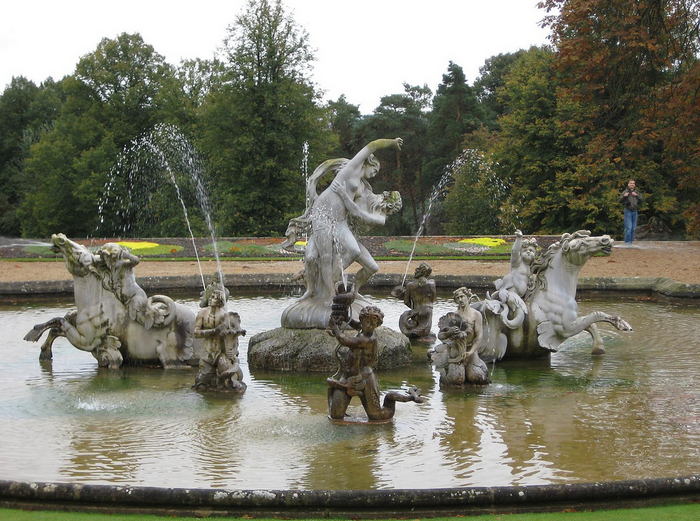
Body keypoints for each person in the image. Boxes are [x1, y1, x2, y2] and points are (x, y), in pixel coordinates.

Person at [619, 179, 643, 244]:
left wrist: (636, 195)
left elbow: (642, 199)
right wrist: (624, 196)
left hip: (635, 211)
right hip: (628, 210)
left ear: (634, 185)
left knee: (633, 228)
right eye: (631, 183)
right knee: (628, 228)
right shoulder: (625, 192)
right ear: (628, 184)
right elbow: (619, 200)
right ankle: (627, 243)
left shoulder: (637, 192)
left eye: (633, 183)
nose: (632, 184)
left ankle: (631, 242)